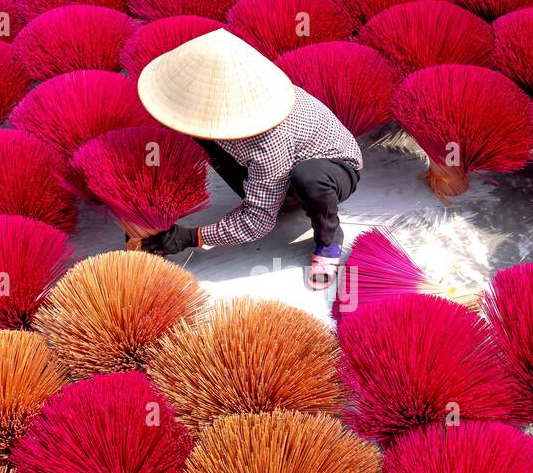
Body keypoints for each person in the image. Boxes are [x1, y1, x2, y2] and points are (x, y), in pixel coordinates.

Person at [135, 29, 363, 289]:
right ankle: (271, 194)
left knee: (309, 179)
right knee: (196, 135)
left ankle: (329, 238)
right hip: (277, 166)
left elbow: (257, 223)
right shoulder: (216, 106)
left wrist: (193, 236)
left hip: (332, 169)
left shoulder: (267, 142)